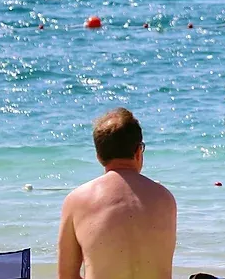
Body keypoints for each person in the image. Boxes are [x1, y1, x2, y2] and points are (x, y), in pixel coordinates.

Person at [58, 108, 177, 279]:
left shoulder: (77, 200)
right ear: (138, 152)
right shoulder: (164, 198)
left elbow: (66, 276)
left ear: (99, 156)